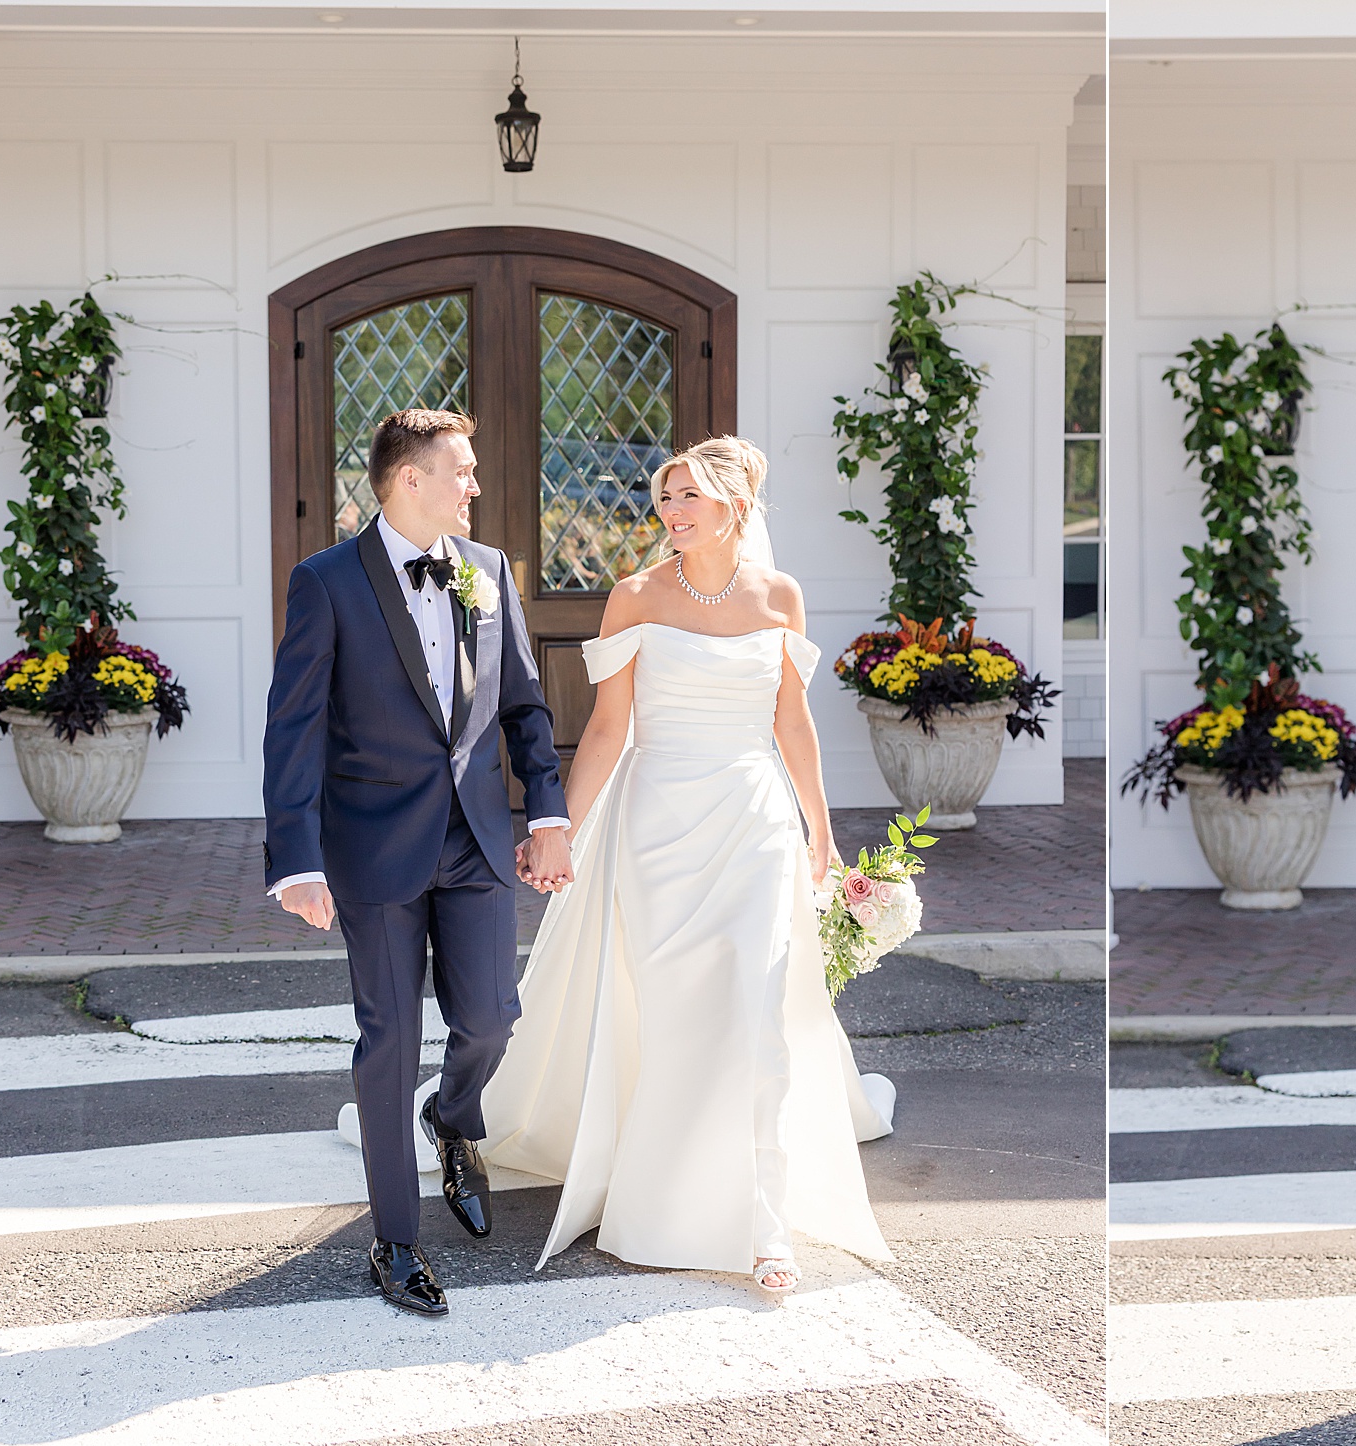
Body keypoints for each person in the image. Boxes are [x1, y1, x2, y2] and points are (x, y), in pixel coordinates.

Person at [478, 436, 892, 1295]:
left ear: (735, 506)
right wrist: (558, 825)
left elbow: (793, 724)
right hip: (659, 821)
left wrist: (820, 826)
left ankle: (762, 1221)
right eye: (664, 497)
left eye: (687, 496)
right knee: (671, 1010)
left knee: (754, 1003)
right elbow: (604, 728)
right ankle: (660, 1190)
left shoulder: (781, 596)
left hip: (752, 819)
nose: (670, 511)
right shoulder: (634, 597)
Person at [263, 408, 573, 1320]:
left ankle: (454, 1117)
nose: (476, 484)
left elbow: (523, 706)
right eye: (462, 471)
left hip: (474, 839)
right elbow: (294, 729)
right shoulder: (325, 583)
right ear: (409, 480)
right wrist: (298, 861)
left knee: (491, 1018)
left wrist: (547, 810)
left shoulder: (490, 573)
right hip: (372, 849)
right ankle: (395, 1242)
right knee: (389, 1042)